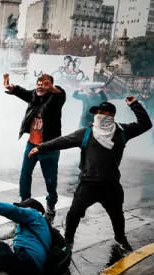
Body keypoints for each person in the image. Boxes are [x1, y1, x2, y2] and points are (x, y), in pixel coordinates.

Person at [28, 97, 152, 251]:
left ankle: (120, 239)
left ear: (112, 115)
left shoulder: (122, 131)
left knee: (117, 216)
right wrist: (41, 147)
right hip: (88, 185)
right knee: (73, 214)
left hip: (111, 185)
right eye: (97, 112)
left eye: (103, 112)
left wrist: (135, 105)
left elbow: (146, 124)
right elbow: (63, 141)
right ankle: (68, 241)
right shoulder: (86, 133)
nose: (98, 115)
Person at [3, 73, 66, 222]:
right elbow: (22, 92)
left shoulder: (56, 99)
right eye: (38, 83)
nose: (40, 86)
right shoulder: (34, 96)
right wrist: (11, 87)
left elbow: (60, 93)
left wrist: (53, 88)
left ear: (51, 86)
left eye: (44, 84)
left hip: (49, 146)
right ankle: (25, 202)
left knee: (50, 178)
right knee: (25, 173)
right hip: (31, 144)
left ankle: (51, 203)